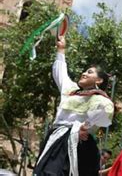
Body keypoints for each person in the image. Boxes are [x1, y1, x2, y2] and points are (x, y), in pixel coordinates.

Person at [33, 36, 114, 176]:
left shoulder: (100, 99)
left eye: (89, 72)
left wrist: (85, 127)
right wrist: (61, 49)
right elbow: (60, 73)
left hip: (79, 143)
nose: (83, 73)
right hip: (57, 139)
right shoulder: (70, 90)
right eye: (85, 71)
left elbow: (105, 114)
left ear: (99, 80)